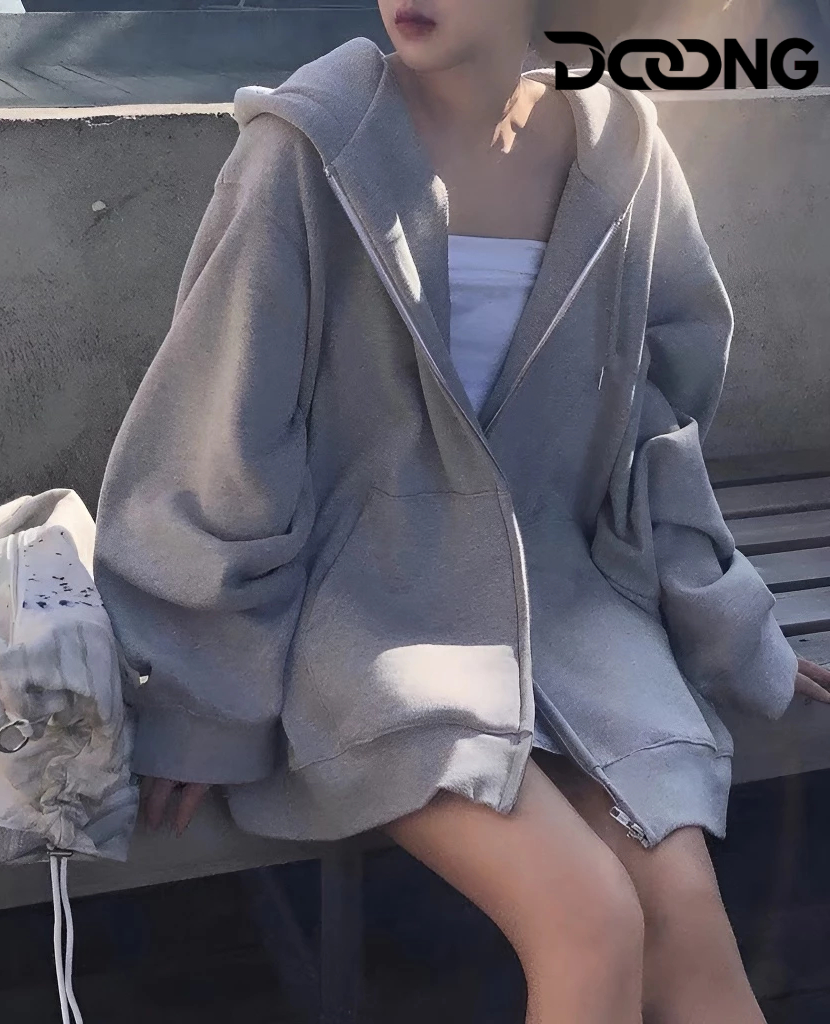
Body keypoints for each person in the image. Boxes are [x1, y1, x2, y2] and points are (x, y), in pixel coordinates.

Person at [94, 2, 830, 1021]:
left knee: (685, 914)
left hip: (574, 610)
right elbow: (219, 433)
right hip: (368, 615)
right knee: (588, 920)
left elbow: (656, 432)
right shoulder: (310, 147)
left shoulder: (622, 152)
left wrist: (730, 626)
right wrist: (197, 697)